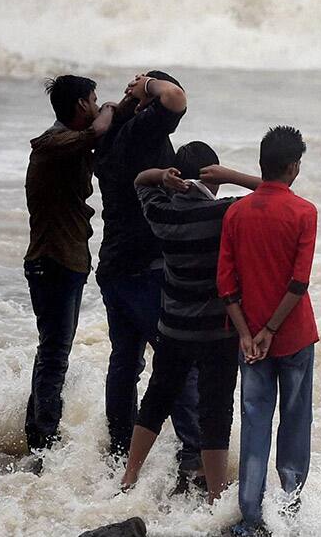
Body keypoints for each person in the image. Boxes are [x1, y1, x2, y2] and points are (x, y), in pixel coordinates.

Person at [121, 142, 261, 502]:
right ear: (211, 177)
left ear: (178, 176)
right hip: (217, 331)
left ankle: (129, 476)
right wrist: (231, 175)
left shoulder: (163, 214)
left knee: (156, 398)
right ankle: (216, 494)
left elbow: (140, 181)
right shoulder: (224, 214)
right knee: (216, 411)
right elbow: (274, 193)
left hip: (173, 327)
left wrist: (161, 178)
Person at [94, 72, 202, 482]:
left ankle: (120, 450)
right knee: (177, 359)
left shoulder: (113, 133)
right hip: (143, 267)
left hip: (114, 266)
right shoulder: (140, 129)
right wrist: (149, 84)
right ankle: (193, 458)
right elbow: (174, 96)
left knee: (125, 361)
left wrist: (125, 99)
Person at [217, 127, 318, 537]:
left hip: (249, 336)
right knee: (295, 421)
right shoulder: (304, 212)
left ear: (262, 163)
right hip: (291, 335)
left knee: (255, 422)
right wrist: (273, 330)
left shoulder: (235, 213)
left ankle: (251, 518)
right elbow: (299, 282)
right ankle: (289, 511)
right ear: (293, 167)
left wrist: (248, 334)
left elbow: (226, 284)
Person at [23, 75, 114, 459]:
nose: (97, 104)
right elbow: (97, 130)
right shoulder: (55, 143)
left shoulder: (67, 145)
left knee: (51, 351)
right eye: (93, 99)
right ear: (81, 105)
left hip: (65, 261)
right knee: (55, 354)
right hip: (54, 263)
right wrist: (113, 108)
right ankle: (44, 444)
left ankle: (37, 435)